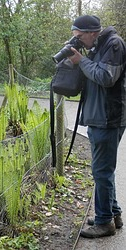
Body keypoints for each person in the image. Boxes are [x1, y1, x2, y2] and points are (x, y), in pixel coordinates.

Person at [68, 15, 126, 238]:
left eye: (80, 37)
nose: (79, 41)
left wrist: (81, 61)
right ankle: (113, 214)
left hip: (108, 118)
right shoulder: (97, 46)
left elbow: (105, 77)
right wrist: (78, 59)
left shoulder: (114, 44)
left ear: (92, 32)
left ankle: (104, 223)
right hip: (98, 117)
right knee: (103, 171)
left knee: (101, 171)